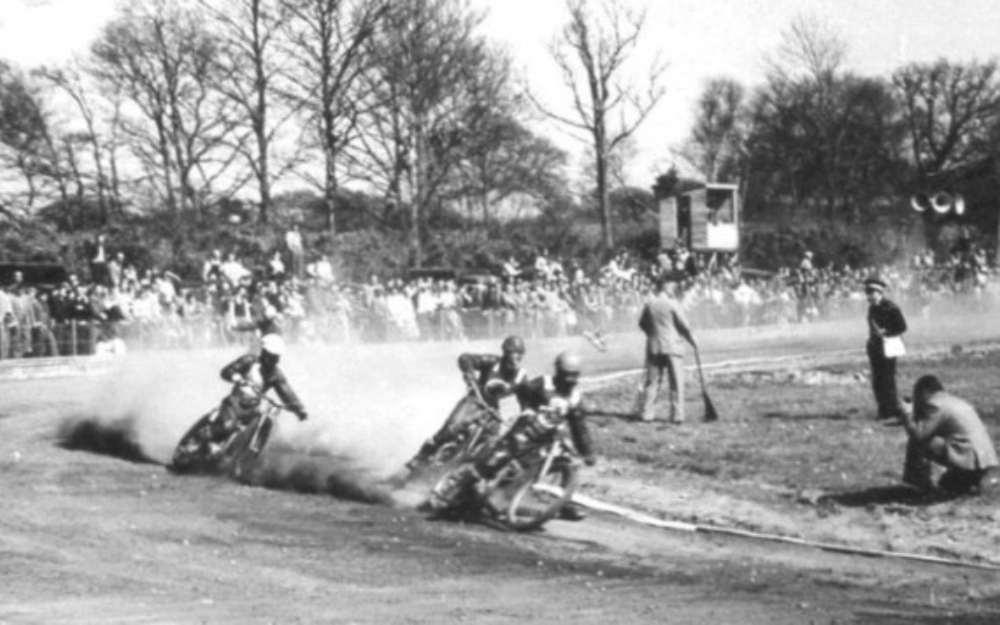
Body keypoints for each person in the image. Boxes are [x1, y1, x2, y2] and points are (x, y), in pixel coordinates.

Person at [425, 351, 596, 522]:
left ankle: (561, 503)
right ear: (558, 371)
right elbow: (522, 391)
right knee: (494, 461)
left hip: (543, 442)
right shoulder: (543, 383)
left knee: (567, 461)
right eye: (566, 375)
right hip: (521, 434)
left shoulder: (574, 398)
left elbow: (579, 427)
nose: (569, 380)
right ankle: (451, 487)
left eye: (573, 376)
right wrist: (527, 410)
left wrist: (588, 453)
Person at [406, 335, 530, 470]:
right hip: (476, 400)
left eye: (519, 355)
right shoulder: (492, 362)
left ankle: (464, 475)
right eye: (511, 353)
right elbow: (465, 358)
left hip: (493, 413)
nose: (514, 359)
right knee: (451, 428)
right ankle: (421, 456)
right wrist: (469, 374)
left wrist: (521, 416)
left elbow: (527, 400)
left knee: (490, 444)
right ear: (504, 353)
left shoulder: (521, 377)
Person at [204, 334, 309, 457]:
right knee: (227, 426)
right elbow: (226, 371)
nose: (274, 361)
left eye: (276, 358)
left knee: (272, 427)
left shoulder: (276, 374)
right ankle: (209, 439)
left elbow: (287, 393)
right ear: (264, 353)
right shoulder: (249, 361)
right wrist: (234, 376)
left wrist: (299, 409)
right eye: (271, 357)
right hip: (234, 404)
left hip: (252, 409)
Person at [900, 375, 999, 496]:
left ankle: (919, 482)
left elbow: (919, 434)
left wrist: (907, 413)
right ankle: (967, 477)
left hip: (967, 455)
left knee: (919, 442)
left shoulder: (935, 405)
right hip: (984, 457)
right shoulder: (951, 401)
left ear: (923, 392)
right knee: (948, 484)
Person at [636, 279, 697, 423]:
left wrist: (653, 334)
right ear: (667, 288)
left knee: (652, 381)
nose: (674, 290)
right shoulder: (673, 304)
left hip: (654, 346)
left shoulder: (649, 304)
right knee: (676, 381)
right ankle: (677, 415)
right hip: (672, 346)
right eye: (673, 287)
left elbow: (642, 323)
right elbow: (684, 326)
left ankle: (647, 413)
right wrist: (692, 341)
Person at [864, 276, 907, 421]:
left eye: (871, 293)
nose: (868, 296)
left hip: (888, 347)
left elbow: (901, 327)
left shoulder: (890, 307)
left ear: (879, 292)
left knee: (887, 379)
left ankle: (892, 410)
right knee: (877, 380)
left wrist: (885, 332)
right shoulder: (872, 308)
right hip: (875, 347)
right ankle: (882, 409)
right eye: (867, 293)